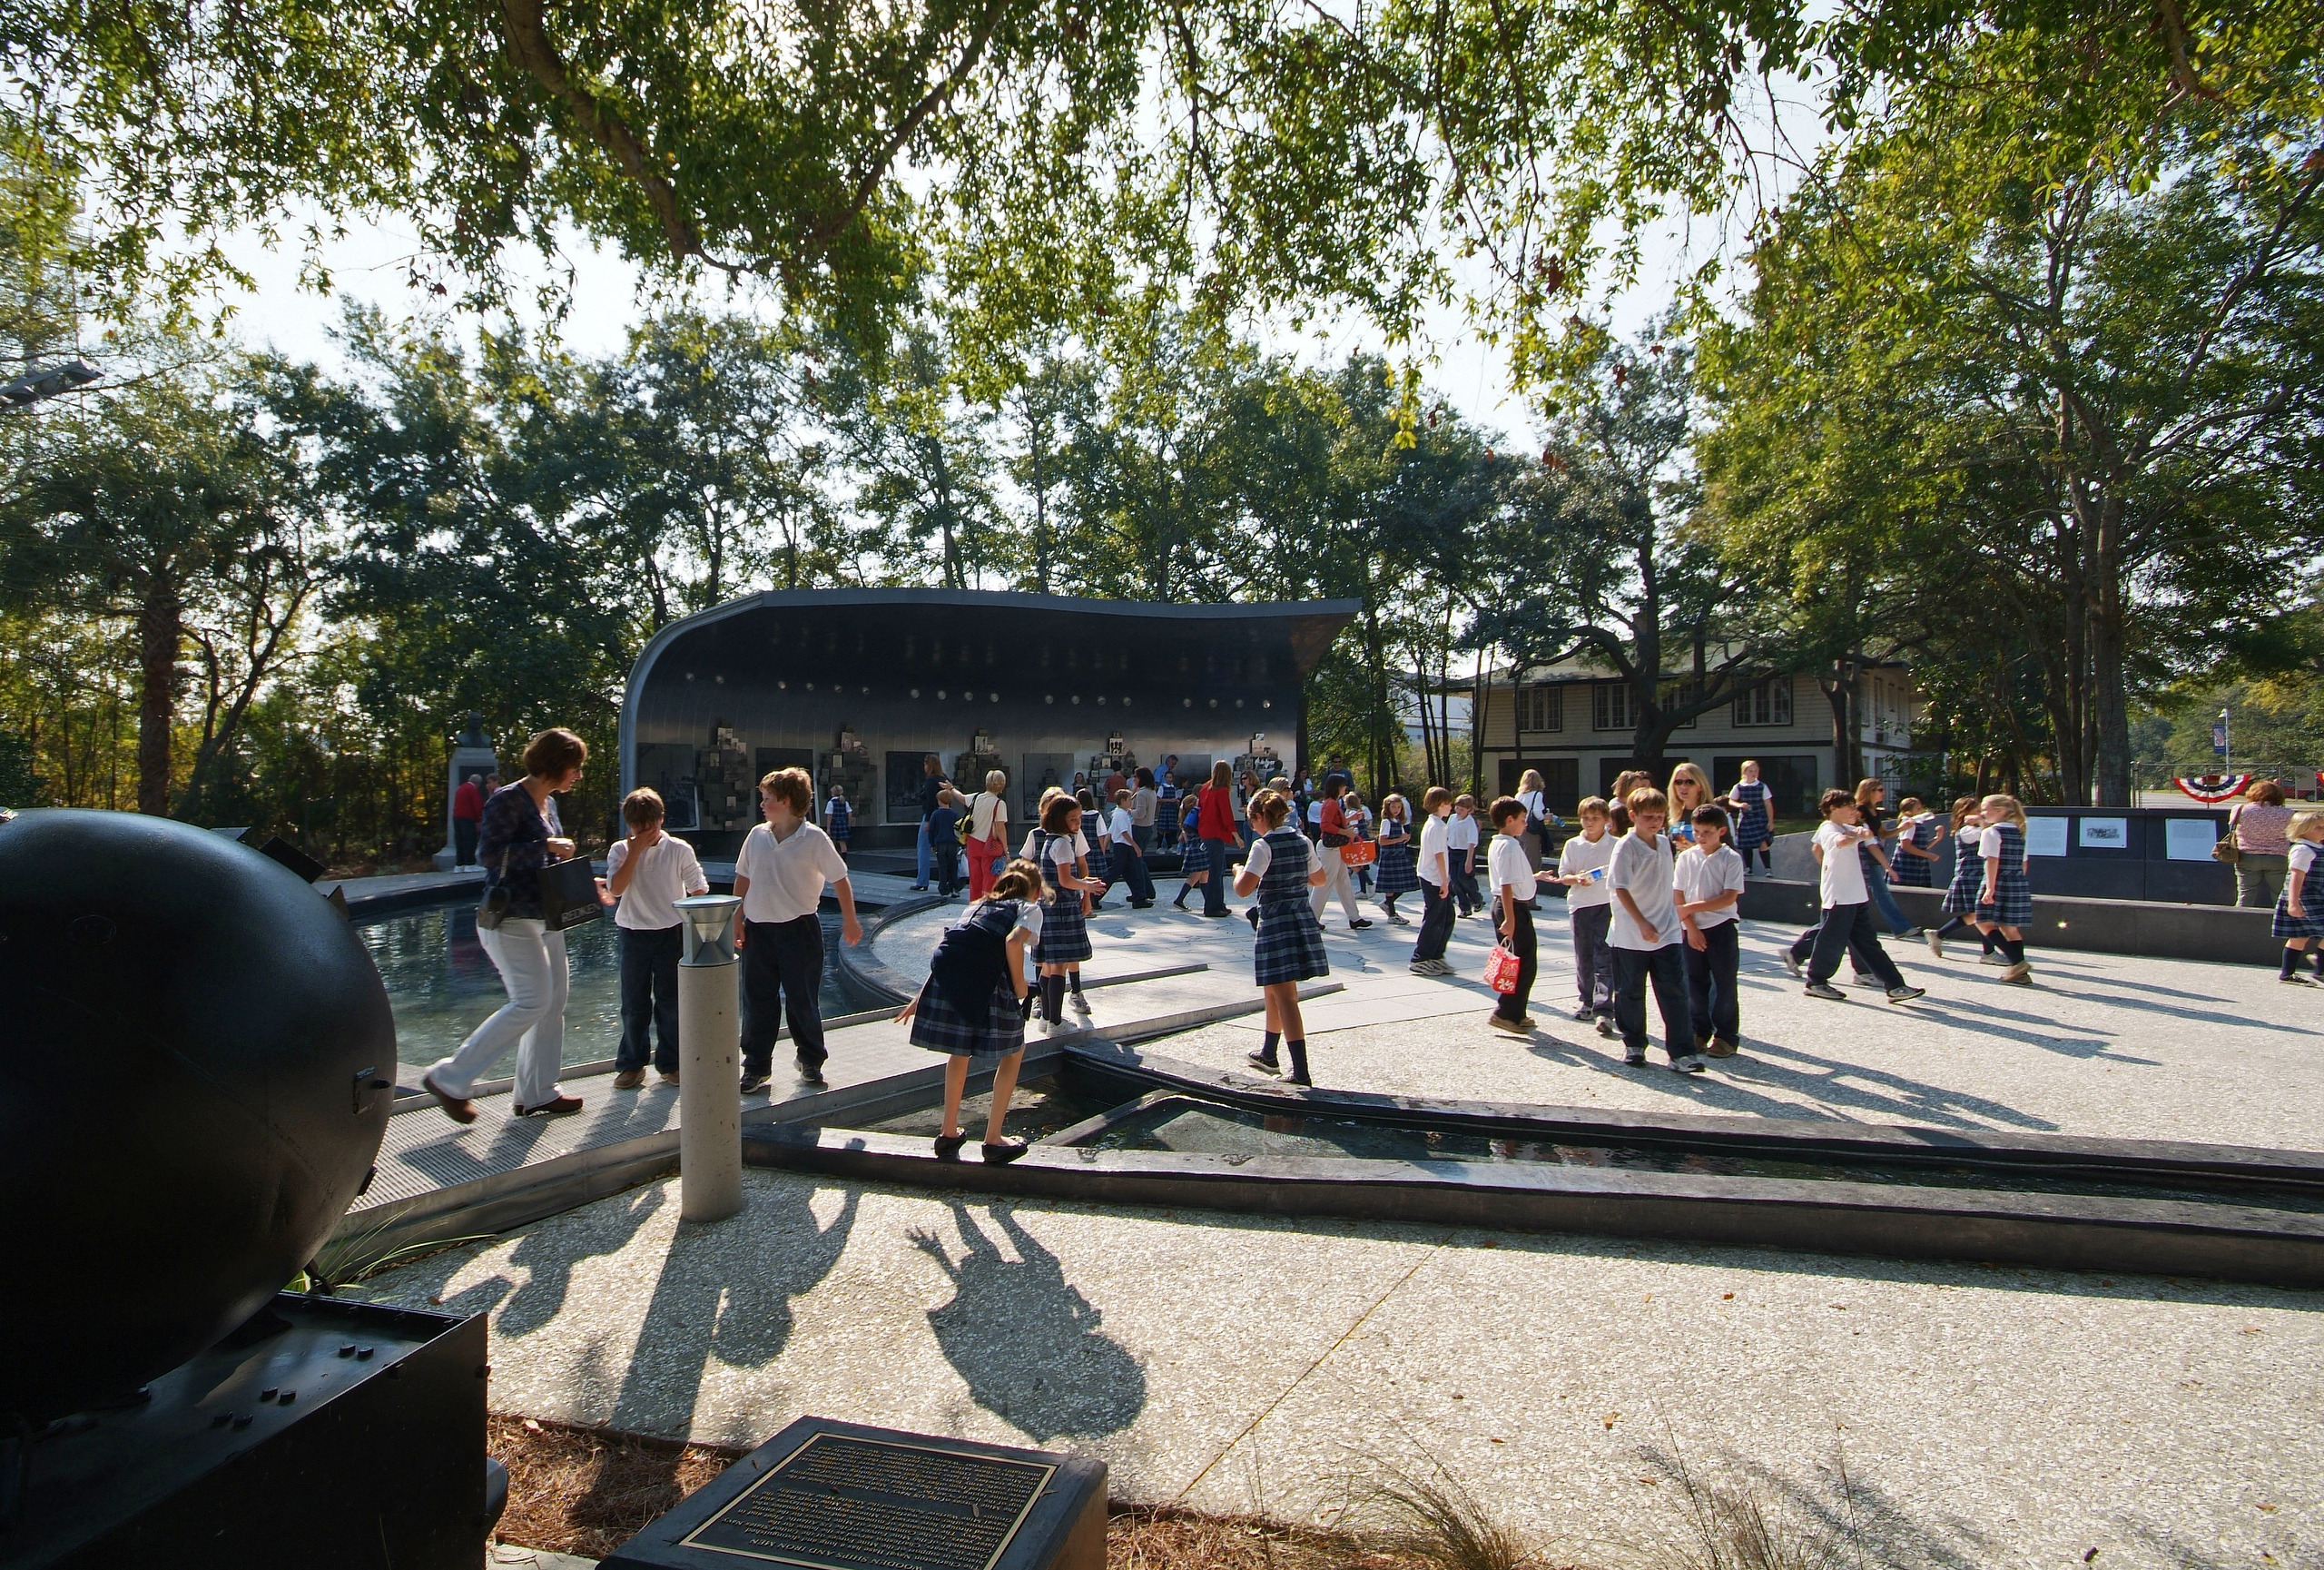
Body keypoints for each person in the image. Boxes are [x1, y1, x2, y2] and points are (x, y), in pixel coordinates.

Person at [422, 729, 587, 1122]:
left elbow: (542, 864)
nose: (578, 776)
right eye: (575, 767)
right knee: (532, 1001)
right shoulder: (507, 799)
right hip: (509, 917)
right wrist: (544, 848)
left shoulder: (548, 803)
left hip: (546, 915)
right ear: (556, 764)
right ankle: (449, 1077)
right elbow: (489, 855)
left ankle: (538, 1093)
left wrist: (579, 881)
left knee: (554, 1003)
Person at [896, 857, 1043, 1162]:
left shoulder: (977, 904)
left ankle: (948, 1133)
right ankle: (993, 1139)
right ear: (1036, 891)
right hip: (988, 981)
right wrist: (1020, 987)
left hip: (950, 977)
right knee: (1014, 1052)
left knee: (960, 1051)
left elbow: (954, 947)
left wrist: (921, 997)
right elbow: (1013, 943)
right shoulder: (1029, 908)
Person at [734, 766, 863, 1092]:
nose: (762, 805)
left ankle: (810, 1060)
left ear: (788, 802)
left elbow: (840, 880)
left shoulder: (815, 839)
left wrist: (850, 920)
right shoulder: (757, 836)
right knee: (758, 1000)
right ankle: (756, 1066)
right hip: (759, 931)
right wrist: (736, 919)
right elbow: (743, 879)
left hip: (800, 930)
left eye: (768, 799)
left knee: (802, 998)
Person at [597, 787, 710, 1091]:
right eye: (638, 827)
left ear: (661, 819)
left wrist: (699, 926)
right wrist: (635, 852)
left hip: (670, 933)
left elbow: (697, 886)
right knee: (633, 1003)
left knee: (671, 1002)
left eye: (651, 825)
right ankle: (632, 1064)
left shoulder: (679, 849)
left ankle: (671, 1063)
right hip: (633, 933)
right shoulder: (619, 851)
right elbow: (616, 889)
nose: (645, 832)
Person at [1234, 788, 1332, 1085]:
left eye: (1252, 822)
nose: (1253, 827)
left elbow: (1243, 888)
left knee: (1287, 996)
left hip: (1276, 920)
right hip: (1299, 916)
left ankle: (1301, 1072)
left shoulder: (1263, 846)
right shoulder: (1303, 841)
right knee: (1273, 988)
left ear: (1261, 817)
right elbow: (1319, 878)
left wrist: (1239, 869)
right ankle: (1268, 1052)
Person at [1797, 788, 1924, 1003]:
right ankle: (1816, 982)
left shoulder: (1848, 827)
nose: (1853, 810)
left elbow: (1868, 839)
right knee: (1830, 941)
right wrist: (1858, 835)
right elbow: (1840, 842)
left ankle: (1895, 986)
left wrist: (1863, 834)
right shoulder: (1829, 828)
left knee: (1868, 943)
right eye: (1848, 806)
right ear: (1833, 809)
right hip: (1839, 896)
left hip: (1856, 896)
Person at [1607, 786, 1699, 1071]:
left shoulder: (1664, 843)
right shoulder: (1626, 845)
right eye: (1649, 816)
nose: (1655, 821)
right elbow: (1619, 886)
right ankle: (1634, 1044)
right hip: (1631, 934)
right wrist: (1641, 921)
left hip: (1667, 929)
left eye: (1660, 816)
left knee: (1675, 991)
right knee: (1631, 991)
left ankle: (1682, 1053)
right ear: (1633, 815)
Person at [1675, 805, 1746, 1057]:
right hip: (1692, 928)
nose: (1701, 837)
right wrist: (1691, 926)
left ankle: (1726, 1036)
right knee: (1694, 982)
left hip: (1721, 927)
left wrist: (1691, 907)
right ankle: (1698, 1031)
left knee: (1724, 983)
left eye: (1707, 832)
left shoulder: (1731, 859)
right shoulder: (1686, 857)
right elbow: (1678, 893)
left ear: (1722, 831)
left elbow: (1728, 897)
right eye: (1696, 831)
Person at [1029, 793, 1105, 1026]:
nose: (1078, 824)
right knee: (1058, 964)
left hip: (1050, 906)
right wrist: (1087, 886)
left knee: (1049, 965)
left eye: (1079, 819)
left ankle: (1049, 1015)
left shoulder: (1053, 839)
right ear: (1060, 819)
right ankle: (1054, 1020)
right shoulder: (1061, 843)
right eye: (1073, 819)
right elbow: (1065, 880)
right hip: (1061, 907)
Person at [1556, 795, 1619, 1033]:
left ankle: (1604, 1007)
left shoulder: (1615, 844)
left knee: (1604, 954)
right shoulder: (1573, 845)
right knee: (1584, 955)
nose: (1590, 823)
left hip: (1606, 904)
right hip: (1581, 905)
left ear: (1606, 820)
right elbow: (1564, 875)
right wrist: (1577, 879)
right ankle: (1587, 1000)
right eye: (1585, 818)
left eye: (1595, 818)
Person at [1487, 797, 1544, 1033]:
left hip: (1506, 905)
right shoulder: (1509, 845)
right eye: (1522, 820)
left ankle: (1517, 1012)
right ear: (1509, 820)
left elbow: (1511, 878)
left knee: (1518, 961)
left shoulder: (1499, 843)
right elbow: (1507, 884)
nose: (1525, 825)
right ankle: (1506, 1012)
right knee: (1524, 962)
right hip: (1512, 907)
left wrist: (1535, 877)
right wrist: (1510, 919)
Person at [1974, 793, 2035, 986]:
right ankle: (2019, 973)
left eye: (1985, 809)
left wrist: (1990, 888)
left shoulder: (1991, 832)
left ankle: (2017, 963)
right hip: (2016, 881)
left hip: (1996, 881)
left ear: (1999, 811)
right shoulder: (2019, 831)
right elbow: (2024, 863)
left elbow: (1992, 861)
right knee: (2010, 928)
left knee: (1983, 922)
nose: (1982, 813)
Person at [1927, 797, 1995, 961]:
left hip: (1978, 875)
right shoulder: (1967, 831)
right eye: (1977, 811)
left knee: (1977, 915)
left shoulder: (1976, 828)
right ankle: (1989, 953)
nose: (1981, 814)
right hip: (1970, 876)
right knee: (1982, 914)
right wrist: (1982, 821)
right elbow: (1987, 834)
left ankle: (1939, 934)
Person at [1855, 777, 1917, 939]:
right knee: (1881, 892)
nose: (1883, 793)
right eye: (1880, 790)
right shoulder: (1860, 810)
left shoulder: (1875, 811)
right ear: (1869, 791)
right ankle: (1901, 927)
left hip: (1873, 853)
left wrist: (1901, 828)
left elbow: (1883, 834)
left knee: (1876, 892)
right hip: (1864, 854)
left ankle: (1900, 927)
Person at [1309, 777, 1374, 932]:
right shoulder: (1331, 803)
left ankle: (1354, 918)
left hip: (1334, 847)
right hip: (1330, 848)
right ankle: (1311, 919)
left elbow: (1333, 822)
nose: (1345, 789)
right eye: (1344, 786)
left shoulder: (1331, 802)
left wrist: (1350, 819)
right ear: (1338, 787)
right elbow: (1325, 825)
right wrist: (1347, 832)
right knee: (1325, 883)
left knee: (1343, 882)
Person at [1408, 786, 1458, 975]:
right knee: (1434, 918)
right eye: (1448, 804)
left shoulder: (1436, 824)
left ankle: (1436, 956)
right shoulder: (1436, 826)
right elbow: (1438, 856)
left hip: (1435, 877)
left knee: (1446, 917)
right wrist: (1445, 882)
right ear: (1439, 805)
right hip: (1434, 878)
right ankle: (1420, 957)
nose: (1451, 807)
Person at [2271, 810, 2324, 984]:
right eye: (2318, 828)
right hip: (2307, 898)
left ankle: (2291, 973)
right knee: (2299, 936)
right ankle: (2318, 968)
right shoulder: (2303, 849)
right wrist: (2293, 903)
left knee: (2300, 936)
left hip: (2317, 895)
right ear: (2303, 830)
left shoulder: (2317, 847)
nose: (2323, 830)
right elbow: (2296, 876)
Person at [2230, 779, 2295, 909]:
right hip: (2278, 857)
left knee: (2245, 896)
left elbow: (2233, 829)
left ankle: (2239, 924)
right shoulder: (2288, 813)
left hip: (2247, 857)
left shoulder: (2240, 810)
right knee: (2281, 896)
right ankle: (2280, 925)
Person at [1196, 760, 1242, 917]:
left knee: (1216, 869)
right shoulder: (1221, 791)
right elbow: (1226, 815)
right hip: (1216, 833)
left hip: (1205, 831)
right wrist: (1236, 836)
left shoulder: (1204, 788)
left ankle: (1218, 903)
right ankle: (1212, 907)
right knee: (1217, 871)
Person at [965, 770, 1010, 900]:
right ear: (1001, 787)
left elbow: (962, 798)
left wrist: (951, 789)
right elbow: (1000, 828)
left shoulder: (976, 797)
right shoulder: (999, 804)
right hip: (989, 846)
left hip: (972, 843)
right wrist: (1006, 850)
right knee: (990, 879)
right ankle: (987, 907)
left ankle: (973, 907)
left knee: (975, 879)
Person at [1374, 793, 1418, 924]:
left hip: (1399, 855)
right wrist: (1400, 839)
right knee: (1391, 886)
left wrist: (1404, 839)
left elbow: (1400, 838)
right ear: (1388, 808)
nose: (1396, 809)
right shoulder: (1386, 822)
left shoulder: (1399, 821)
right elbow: (1382, 841)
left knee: (1405, 883)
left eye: (1399, 807)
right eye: (1393, 807)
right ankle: (1391, 913)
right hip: (1390, 857)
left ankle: (1388, 903)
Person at [1108, 787, 1156, 908]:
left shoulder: (1118, 813)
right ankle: (1095, 896)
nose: (1131, 802)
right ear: (1123, 801)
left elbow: (1110, 831)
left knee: (1131, 873)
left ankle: (1139, 897)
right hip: (1124, 846)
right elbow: (1124, 832)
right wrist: (1136, 846)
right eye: (1129, 799)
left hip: (1122, 846)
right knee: (1115, 873)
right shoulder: (1121, 814)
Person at [1728, 759, 1775, 873]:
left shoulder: (1762, 786)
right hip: (1745, 819)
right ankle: (1748, 868)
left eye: (1756, 771)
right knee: (1746, 844)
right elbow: (1731, 801)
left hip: (1760, 818)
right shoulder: (1738, 786)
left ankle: (1768, 868)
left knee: (1763, 842)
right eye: (1750, 771)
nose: (1753, 773)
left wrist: (1770, 821)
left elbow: (1768, 804)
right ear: (1744, 772)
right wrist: (1740, 805)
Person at [911, 754, 949, 890]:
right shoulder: (944, 779)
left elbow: (929, 802)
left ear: (929, 765)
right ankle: (949, 881)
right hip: (944, 816)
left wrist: (927, 820)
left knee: (923, 848)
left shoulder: (930, 781)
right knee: (944, 850)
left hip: (931, 816)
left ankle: (922, 881)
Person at [1890, 795, 1945, 888]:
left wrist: (1937, 838)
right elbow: (1906, 846)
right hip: (1907, 866)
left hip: (1918, 865)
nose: (1922, 810)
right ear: (1909, 812)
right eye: (1918, 809)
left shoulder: (1917, 824)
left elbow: (1920, 847)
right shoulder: (1909, 824)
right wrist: (1929, 855)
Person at [1076, 787, 1112, 909]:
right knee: (1097, 877)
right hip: (1094, 850)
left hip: (1081, 850)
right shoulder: (1096, 815)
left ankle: (1087, 899)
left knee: (1084, 875)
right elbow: (1101, 835)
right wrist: (1103, 851)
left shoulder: (1077, 816)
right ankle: (1094, 900)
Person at [1447, 794, 1482, 916]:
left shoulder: (1470, 822)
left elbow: (1472, 842)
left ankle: (1477, 898)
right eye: (1457, 808)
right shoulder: (1452, 818)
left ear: (1469, 809)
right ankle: (1465, 907)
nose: (1458, 811)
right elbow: (1447, 834)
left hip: (1465, 853)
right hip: (1452, 851)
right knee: (1454, 881)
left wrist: (1468, 861)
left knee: (1464, 878)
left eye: (1462, 809)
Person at [928, 788, 966, 898]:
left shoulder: (935, 814)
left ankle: (943, 888)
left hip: (940, 843)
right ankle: (954, 887)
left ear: (939, 801)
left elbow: (931, 830)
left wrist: (932, 844)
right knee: (953, 865)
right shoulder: (955, 814)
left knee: (942, 866)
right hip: (952, 843)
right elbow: (959, 830)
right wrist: (962, 844)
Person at [1667, 763, 1713, 853]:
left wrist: (1695, 848)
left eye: (1689, 782)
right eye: (1678, 782)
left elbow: (1726, 850)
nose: (1683, 787)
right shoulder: (1674, 814)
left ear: (1700, 786)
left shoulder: (1712, 813)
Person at [451, 771, 486, 868]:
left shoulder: (460, 788)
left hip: (457, 817)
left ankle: (459, 864)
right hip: (467, 818)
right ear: (477, 783)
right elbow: (477, 805)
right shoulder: (472, 790)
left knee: (460, 841)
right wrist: (479, 819)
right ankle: (470, 864)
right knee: (470, 840)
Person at [1130, 767, 1159, 857]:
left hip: (1139, 828)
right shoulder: (1151, 791)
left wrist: (1128, 811)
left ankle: (1143, 872)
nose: (1134, 779)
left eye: (1136, 777)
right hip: (1148, 826)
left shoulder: (1142, 794)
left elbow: (1140, 813)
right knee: (1139, 855)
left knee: (1136, 856)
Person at [1156, 763, 1181, 853]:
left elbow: (1176, 798)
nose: (1169, 779)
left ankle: (1170, 846)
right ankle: (1159, 847)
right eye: (1167, 777)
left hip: (1172, 810)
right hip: (1164, 809)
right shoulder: (1162, 787)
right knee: (1162, 829)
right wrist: (1170, 800)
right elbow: (1158, 799)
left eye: (1170, 777)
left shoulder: (1174, 788)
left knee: (1170, 829)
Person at [823, 782, 852, 859]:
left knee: (833, 842)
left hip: (834, 824)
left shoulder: (831, 803)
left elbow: (830, 815)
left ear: (833, 793)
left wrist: (828, 828)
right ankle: (844, 860)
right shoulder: (844, 802)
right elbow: (850, 813)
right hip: (843, 823)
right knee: (843, 843)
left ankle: (834, 859)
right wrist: (849, 824)